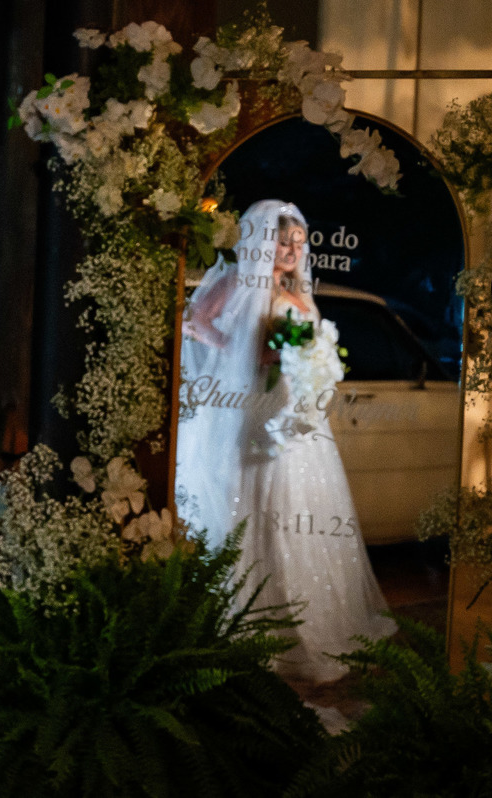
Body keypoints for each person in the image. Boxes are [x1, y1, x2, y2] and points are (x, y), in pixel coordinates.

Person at [176, 199, 396, 684]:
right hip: (251, 414)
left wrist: (315, 366)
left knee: (298, 508)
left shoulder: (298, 293)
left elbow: (309, 351)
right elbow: (193, 321)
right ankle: (249, 629)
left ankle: (299, 622)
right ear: (262, 242)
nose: (293, 250)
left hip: (297, 419)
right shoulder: (239, 283)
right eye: (283, 241)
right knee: (253, 507)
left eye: (299, 242)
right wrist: (237, 351)